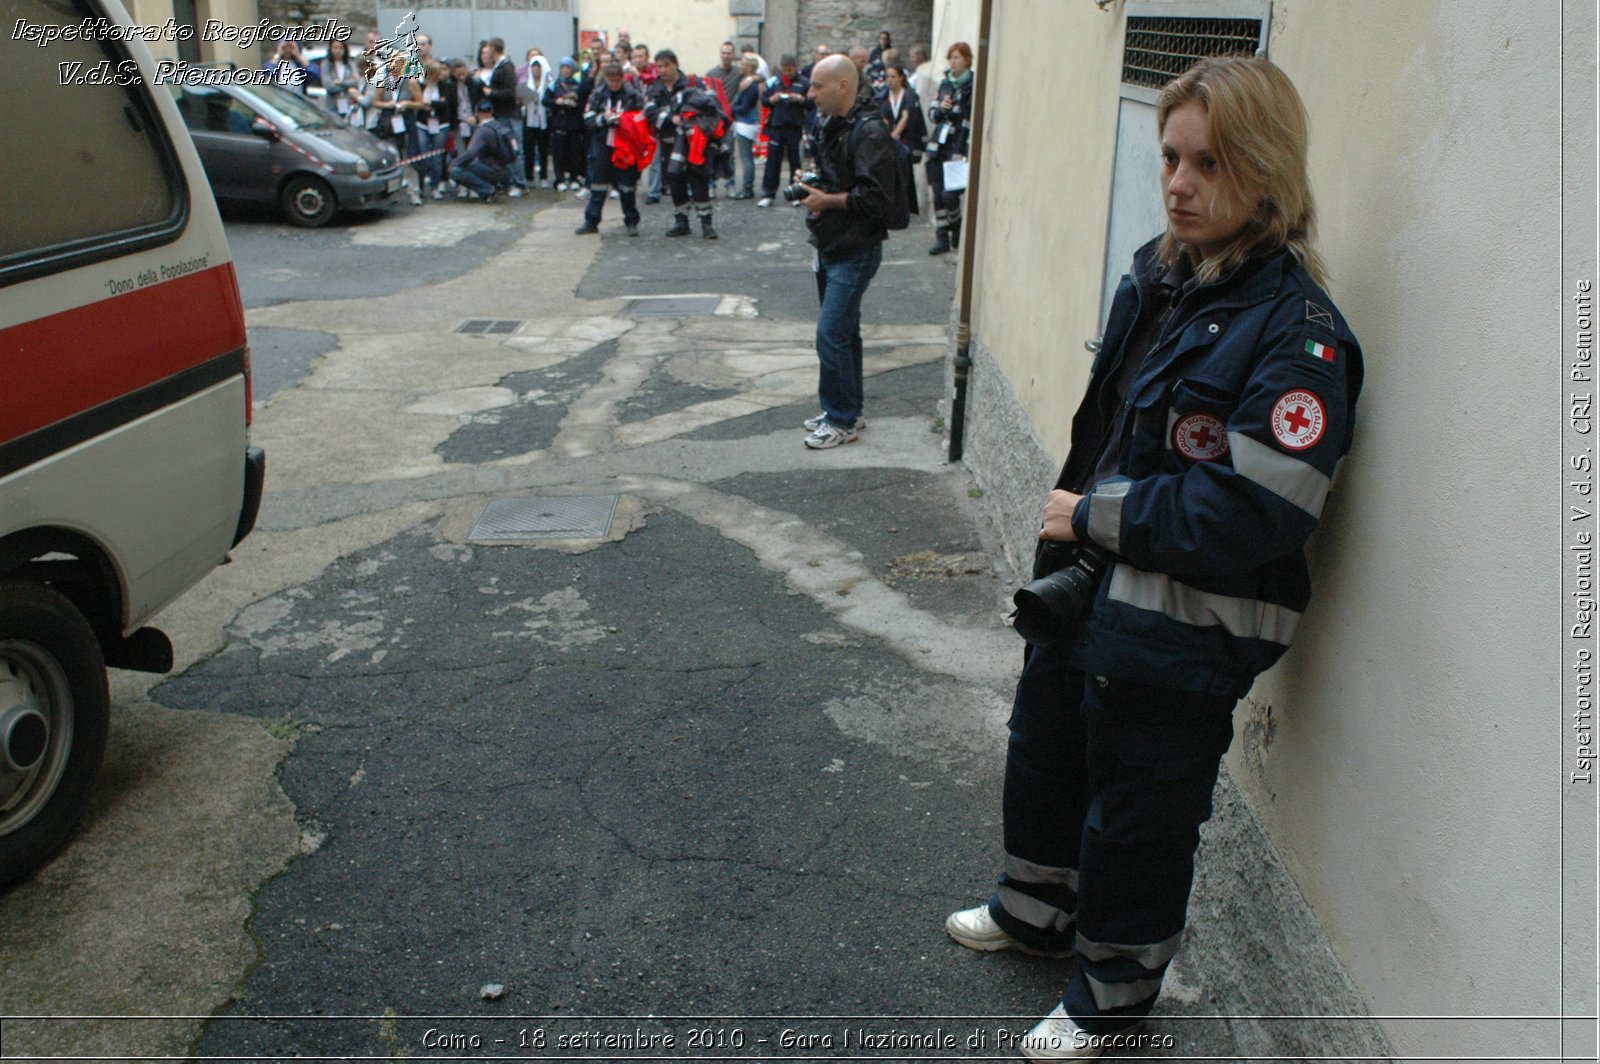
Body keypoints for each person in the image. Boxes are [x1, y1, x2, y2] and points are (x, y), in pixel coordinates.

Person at [943, 55, 1363, 1061]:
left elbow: (1255, 510)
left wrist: (1090, 517)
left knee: (1141, 805)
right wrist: (1073, 535)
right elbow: (1111, 433)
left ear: (1267, 174)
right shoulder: (1159, 274)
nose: (1176, 181)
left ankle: (1112, 997)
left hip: (1194, 617)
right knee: (1045, 745)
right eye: (1170, 156)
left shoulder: (1300, 338)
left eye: (1207, 162)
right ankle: (1036, 912)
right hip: (1093, 580)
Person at [790, 54, 898, 450]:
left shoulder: (869, 132)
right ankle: (846, 410)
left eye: (817, 86)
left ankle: (840, 420)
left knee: (831, 333)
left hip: (855, 248)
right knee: (844, 332)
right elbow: (840, 178)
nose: (810, 93)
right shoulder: (834, 124)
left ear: (843, 87)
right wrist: (813, 184)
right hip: (831, 243)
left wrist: (827, 199)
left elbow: (876, 198)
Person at [575, 61, 647, 235]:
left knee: (627, 184)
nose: (615, 84)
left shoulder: (632, 94)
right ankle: (591, 221)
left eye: (618, 80)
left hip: (624, 144)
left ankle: (631, 222)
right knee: (598, 182)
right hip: (603, 142)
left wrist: (625, 120)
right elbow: (588, 118)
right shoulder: (598, 94)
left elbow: (641, 117)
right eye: (611, 80)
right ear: (606, 78)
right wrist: (603, 119)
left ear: (623, 78)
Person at [925, 41, 973, 255]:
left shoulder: (971, 85)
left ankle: (957, 225)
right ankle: (942, 236)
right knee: (937, 193)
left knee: (950, 194)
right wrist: (942, 108)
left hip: (958, 145)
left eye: (957, 58)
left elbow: (966, 114)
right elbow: (933, 115)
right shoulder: (945, 84)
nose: (952, 62)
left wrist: (951, 109)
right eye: (950, 58)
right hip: (938, 146)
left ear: (967, 60)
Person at [756, 54, 809, 208]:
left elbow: (811, 102)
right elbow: (764, 100)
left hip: (794, 127)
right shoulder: (774, 81)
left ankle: (796, 194)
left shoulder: (803, 82)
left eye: (790, 70)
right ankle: (768, 194)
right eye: (785, 70)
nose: (787, 73)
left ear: (795, 67)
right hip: (777, 126)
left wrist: (799, 99)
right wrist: (772, 99)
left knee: (795, 162)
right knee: (772, 162)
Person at [484, 37, 529, 196]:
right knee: (506, 150)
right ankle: (512, 181)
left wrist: (491, 93)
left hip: (509, 116)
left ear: (494, 50)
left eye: (488, 50)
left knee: (513, 149)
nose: (486, 53)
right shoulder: (499, 67)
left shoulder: (506, 68)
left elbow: (511, 93)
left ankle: (521, 183)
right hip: (502, 115)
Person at [449, 98, 516, 202]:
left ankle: (488, 190)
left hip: (493, 169)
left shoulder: (484, 130)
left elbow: (471, 153)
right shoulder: (500, 125)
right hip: (506, 170)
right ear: (492, 111)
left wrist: (455, 163)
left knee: (456, 171)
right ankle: (500, 185)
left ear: (477, 113)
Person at [881, 62, 924, 217]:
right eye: (887, 77)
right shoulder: (885, 96)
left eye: (893, 76)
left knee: (905, 174)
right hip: (890, 139)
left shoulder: (909, 96)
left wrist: (894, 135)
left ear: (901, 78)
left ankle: (903, 206)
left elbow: (907, 117)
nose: (890, 80)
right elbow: (884, 117)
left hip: (905, 139)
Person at [545, 56, 587, 191]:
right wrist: (557, 102)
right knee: (558, 153)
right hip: (559, 122)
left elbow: (583, 101)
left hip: (574, 123)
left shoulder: (577, 85)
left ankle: (574, 177)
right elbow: (545, 100)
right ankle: (559, 178)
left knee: (574, 152)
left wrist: (574, 103)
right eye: (562, 67)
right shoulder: (554, 85)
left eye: (568, 68)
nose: (565, 70)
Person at [705, 41, 742, 196]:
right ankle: (711, 185)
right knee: (711, 153)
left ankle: (730, 184)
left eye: (729, 53)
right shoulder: (711, 73)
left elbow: (758, 74)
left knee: (728, 153)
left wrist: (751, 79)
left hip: (729, 121)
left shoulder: (739, 73)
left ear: (733, 55)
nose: (726, 56)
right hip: (714, 120)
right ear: (720, 54)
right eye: (724, 53)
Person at [729, 55, 764, 199]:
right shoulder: (747, 81)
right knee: (746, 157)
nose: (740, 66)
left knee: (746, 158)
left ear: (749, 68)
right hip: (745, 122)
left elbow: (744, 107)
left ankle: (747, 188)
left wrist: (731, 109)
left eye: (743, 64)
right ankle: (747, 187)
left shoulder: (751, 86)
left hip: (746, 123)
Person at [518, 51, 552, 188]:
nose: (536, 70)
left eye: (538, 67)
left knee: (543, 149)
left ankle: (543, 176)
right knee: (528, 149)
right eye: (533, 67)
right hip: (529, 118)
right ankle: (529, 176)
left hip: (543, 119)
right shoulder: (526, 83)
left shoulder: (549, 83)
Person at [315, 38, 363, 126]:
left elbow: (357, 81)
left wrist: (341, 83)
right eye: (335, 48)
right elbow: (329, 86)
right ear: (331, 49)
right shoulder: (326, 64)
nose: (338, 51)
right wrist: (349, 84)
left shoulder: (350, 64)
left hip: (348, 104)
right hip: (333, 105)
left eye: (341, 48)